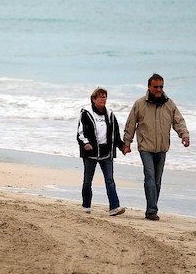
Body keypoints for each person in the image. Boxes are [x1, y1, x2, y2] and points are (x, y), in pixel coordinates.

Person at [122, 73, 189, 221]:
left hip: (162, 148)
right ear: (149, 87)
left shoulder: (169, 104)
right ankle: (152, 210)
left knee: (157, 181)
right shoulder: (140, 104)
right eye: (156, 87)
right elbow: (130, 124)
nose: (159, 89)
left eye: (161, 87)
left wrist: (184, 135)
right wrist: (127, 143)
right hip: (145, 147)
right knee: (150, 177)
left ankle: (151, 209)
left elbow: (178, 121)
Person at [76, 87, 127, 216]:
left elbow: (115, 134)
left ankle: (114, 207)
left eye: (105, 97)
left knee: (110, 180)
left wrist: (122, 147)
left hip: (106, 153)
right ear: (94, 99)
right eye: (100, 97)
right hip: (91, 153)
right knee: (88, 180)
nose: (103, 99)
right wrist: (85, 144)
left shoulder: (110, 114)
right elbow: (80, 132)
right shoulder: (86, 113)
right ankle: (86, 205)